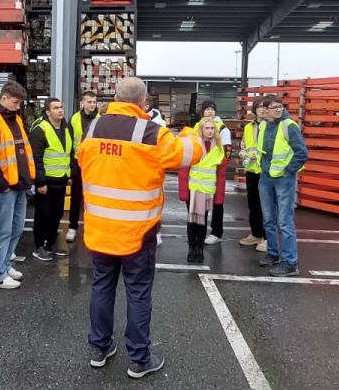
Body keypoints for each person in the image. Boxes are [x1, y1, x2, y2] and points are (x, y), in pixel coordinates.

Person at [79, 77, 203, 380]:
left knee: (101, 286)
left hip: (100, 227)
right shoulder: (151, 132)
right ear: (143, 102)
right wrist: (190, 130)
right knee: (137, 292)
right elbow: (190, 154)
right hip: (137, 231)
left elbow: (83, 161)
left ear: (115, 98)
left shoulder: (92, 128)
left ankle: (99, 348)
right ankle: (138, 359)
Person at [0, 81, 35, 290]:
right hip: (3, 187)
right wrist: (1, 184)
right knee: (1, 232)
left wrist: (26, 180)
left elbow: (21, 151)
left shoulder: (14, 118)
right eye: (15, 102)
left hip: (17, 185)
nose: (18, 106)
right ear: (3, 98)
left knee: (15, 229)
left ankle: (3, 266)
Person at [256, 95, 308, 277]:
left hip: (283, 179)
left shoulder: (289, 126)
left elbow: (302, 153)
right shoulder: (263, 126)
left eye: (280, 106)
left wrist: (289, 170)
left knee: (284, 221)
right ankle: (273, 253)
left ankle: (290, 262)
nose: (279, 109)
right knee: (268, 219)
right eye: (274, 107)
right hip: (266, 176)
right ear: (266, 110)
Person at [178, 101, 232, 246]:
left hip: (214, 173)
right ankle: (195, 244)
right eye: (207, 109)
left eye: (212, 109)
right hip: (197, 181)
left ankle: (216, 232)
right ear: (202, 112)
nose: (210, 112)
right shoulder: (197, 126)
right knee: (195, 213)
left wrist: (217, 163)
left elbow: (226, 152)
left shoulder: (222, 128)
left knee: (216, 205)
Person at [29, 98, 72, 262]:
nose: (60, 110)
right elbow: (36, 158)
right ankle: (39, 246)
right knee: (43, 214)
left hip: (60, 180)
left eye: (61, 107)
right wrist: (40, 182)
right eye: (56, 108)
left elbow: (68, 154)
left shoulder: (66, 129)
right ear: (48, 112)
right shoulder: (40, 130)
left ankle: (51, 244)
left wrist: (69, 175)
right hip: (46, 182)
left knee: (57, 214)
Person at [186, 118, 224, 263]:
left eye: (212, 128)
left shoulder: (218, 147)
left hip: (207, 189)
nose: (210, 131)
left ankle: (200, 248)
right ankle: (191, 248)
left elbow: (220, 171)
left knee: (203, 220)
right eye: (207, 128)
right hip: (193, 188)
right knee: (192, 220)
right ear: (201, 130)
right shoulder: (194, 144)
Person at [67, 90, 101, 242]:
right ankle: (72, 227)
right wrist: (72, 166)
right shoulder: (74, 119)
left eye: (94, 102)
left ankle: (93, 228)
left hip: (95, 165)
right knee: (76, 198)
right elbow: (69, 144)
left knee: (95, 199)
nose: (92, 105)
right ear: (82, 103)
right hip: (78, 164)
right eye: (89, 102)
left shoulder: (101, 119)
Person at [239, 101, 268, 252]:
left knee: (267, 206)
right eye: (259, 107)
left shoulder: (271, 126)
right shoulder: (249, 127)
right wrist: (243, 153)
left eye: (264, 107)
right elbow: (244, 145)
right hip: (251, 170)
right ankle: (256, 234)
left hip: (266, 171)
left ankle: (267, 238)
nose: (262, 110)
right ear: (255, 110)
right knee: (253, 204)